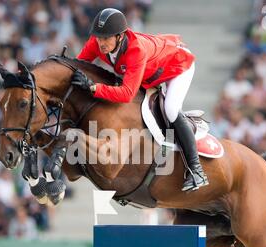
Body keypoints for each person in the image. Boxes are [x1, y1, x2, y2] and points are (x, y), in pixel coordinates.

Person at [71, 8, 208, 191]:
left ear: (119, 36)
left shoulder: (136, 50)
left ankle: (196, 170)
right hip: (150, 72)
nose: (100, 43)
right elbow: (76, 67)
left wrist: (93, 88)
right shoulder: (97, 43)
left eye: (106, 38)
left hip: (177, 66)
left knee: (171, 109)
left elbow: (127, 93)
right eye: (98, 37)